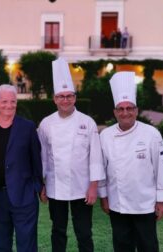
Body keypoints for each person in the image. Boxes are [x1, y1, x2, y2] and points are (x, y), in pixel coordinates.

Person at [99, 71, 163, 252]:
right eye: (121, 109)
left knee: (148, 246)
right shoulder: (106, 135)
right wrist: (104, 197)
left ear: (136, 110)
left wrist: (161, 200)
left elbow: (161, 168)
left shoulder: (151, 134)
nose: (125, 113)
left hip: (145, 204)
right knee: (122, 247)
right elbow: (101, 168)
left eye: (129, 108)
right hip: (118, 203)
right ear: (115, 112)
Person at [38, 58, 105, 252]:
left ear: (75, 98)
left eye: (69, 96)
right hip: (55, 185)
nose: (65, 100)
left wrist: (94, 187)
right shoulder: (46, 124)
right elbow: (43, 156)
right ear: (55, 99)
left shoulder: (88, 122)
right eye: (61, 96)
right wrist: (42, 184)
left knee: (84, 232)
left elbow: (95, 157)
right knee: (58, 230)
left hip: (82, 186)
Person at [0, 84, 43, 252]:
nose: (9, 105)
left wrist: (37, 186)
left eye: (12, 101)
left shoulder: (27, 127)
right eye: (4, 101)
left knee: (27, 245)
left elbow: (37, 159)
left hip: (24, 196)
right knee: (0, 246)